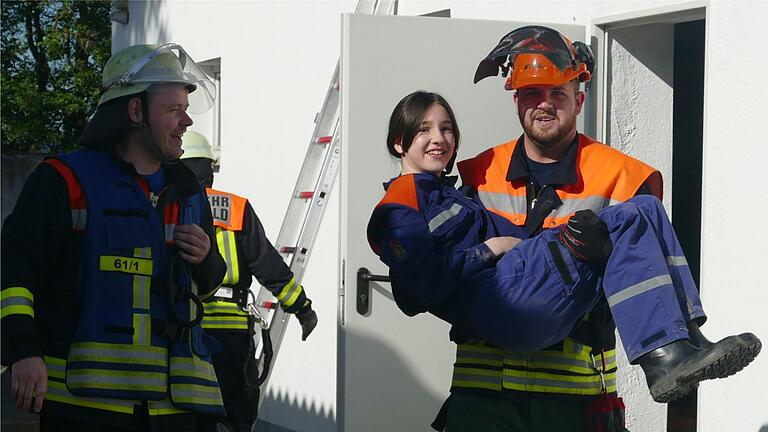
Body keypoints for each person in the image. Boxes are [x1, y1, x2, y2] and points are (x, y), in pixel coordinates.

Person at [367, 90, 760, 430]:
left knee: (645, 210)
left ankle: (682, 342)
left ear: (578, 99)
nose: (439, 138)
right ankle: (666, 355)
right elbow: (419, 286)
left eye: (446, 128)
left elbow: (521, 240)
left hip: (548, 350)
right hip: (503, 312)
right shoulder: (403, 203)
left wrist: (576, 242)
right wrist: (490, 249)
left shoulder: (450, 195)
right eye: (424, 130)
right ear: (399, 143)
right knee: (634, 213)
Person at [1, 43, 228, 431]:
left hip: (178, 411)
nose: (186, 122)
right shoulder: (64, 181)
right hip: (86, 407)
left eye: (186, 109)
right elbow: (14, 271)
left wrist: (207, 260)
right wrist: (23, 350)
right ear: (135, 111)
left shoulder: (189, 193)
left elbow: (205, 289)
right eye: (174, 110)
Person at [179, 131, 318, 432]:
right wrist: (302, 308)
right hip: (231, 333)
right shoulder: (236, 208)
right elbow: (268, 265)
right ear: (209, 168)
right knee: (236, 414)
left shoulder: (168, 206)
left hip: (184, 328)